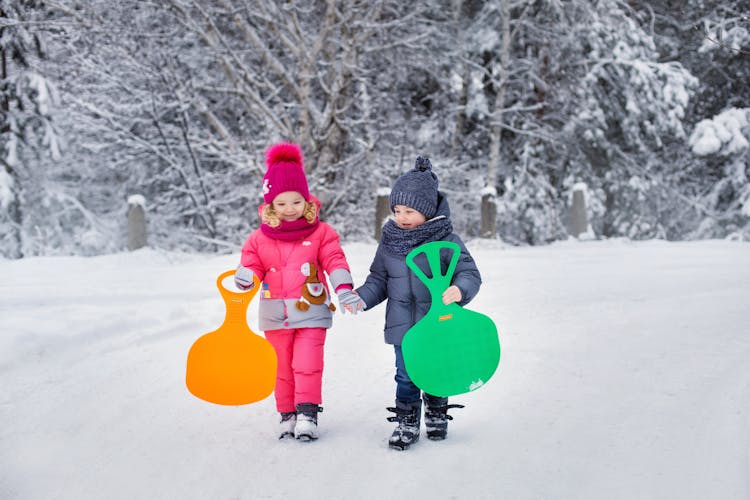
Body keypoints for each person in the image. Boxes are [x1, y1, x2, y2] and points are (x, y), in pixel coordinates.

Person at [235, 142, 364, 442]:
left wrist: (344, 288)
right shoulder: (257, 239)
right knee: (281, 367)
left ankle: (307, 413)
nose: (290, 209)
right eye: (281, 203)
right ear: (270, 206)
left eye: (296, 201)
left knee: (307, 363)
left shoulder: (321, 233)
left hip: (311, 310)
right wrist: (245, 278)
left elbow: (334, 259)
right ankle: (286, 414)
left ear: (306, 200)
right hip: (275, 313)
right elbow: (252, 267)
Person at [354, 156, 482, 450]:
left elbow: (469, 272)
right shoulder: (390, 240)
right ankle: (407, 419)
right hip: (403, 326)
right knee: (406, 374)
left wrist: (460, 290)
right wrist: (363, 297)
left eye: (410, 210)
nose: (402, 216)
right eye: (397, 210)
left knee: (437, 367)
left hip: (437, 322)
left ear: (427, 210)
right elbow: (379, 279)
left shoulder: (446, 240)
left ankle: (437, 411)